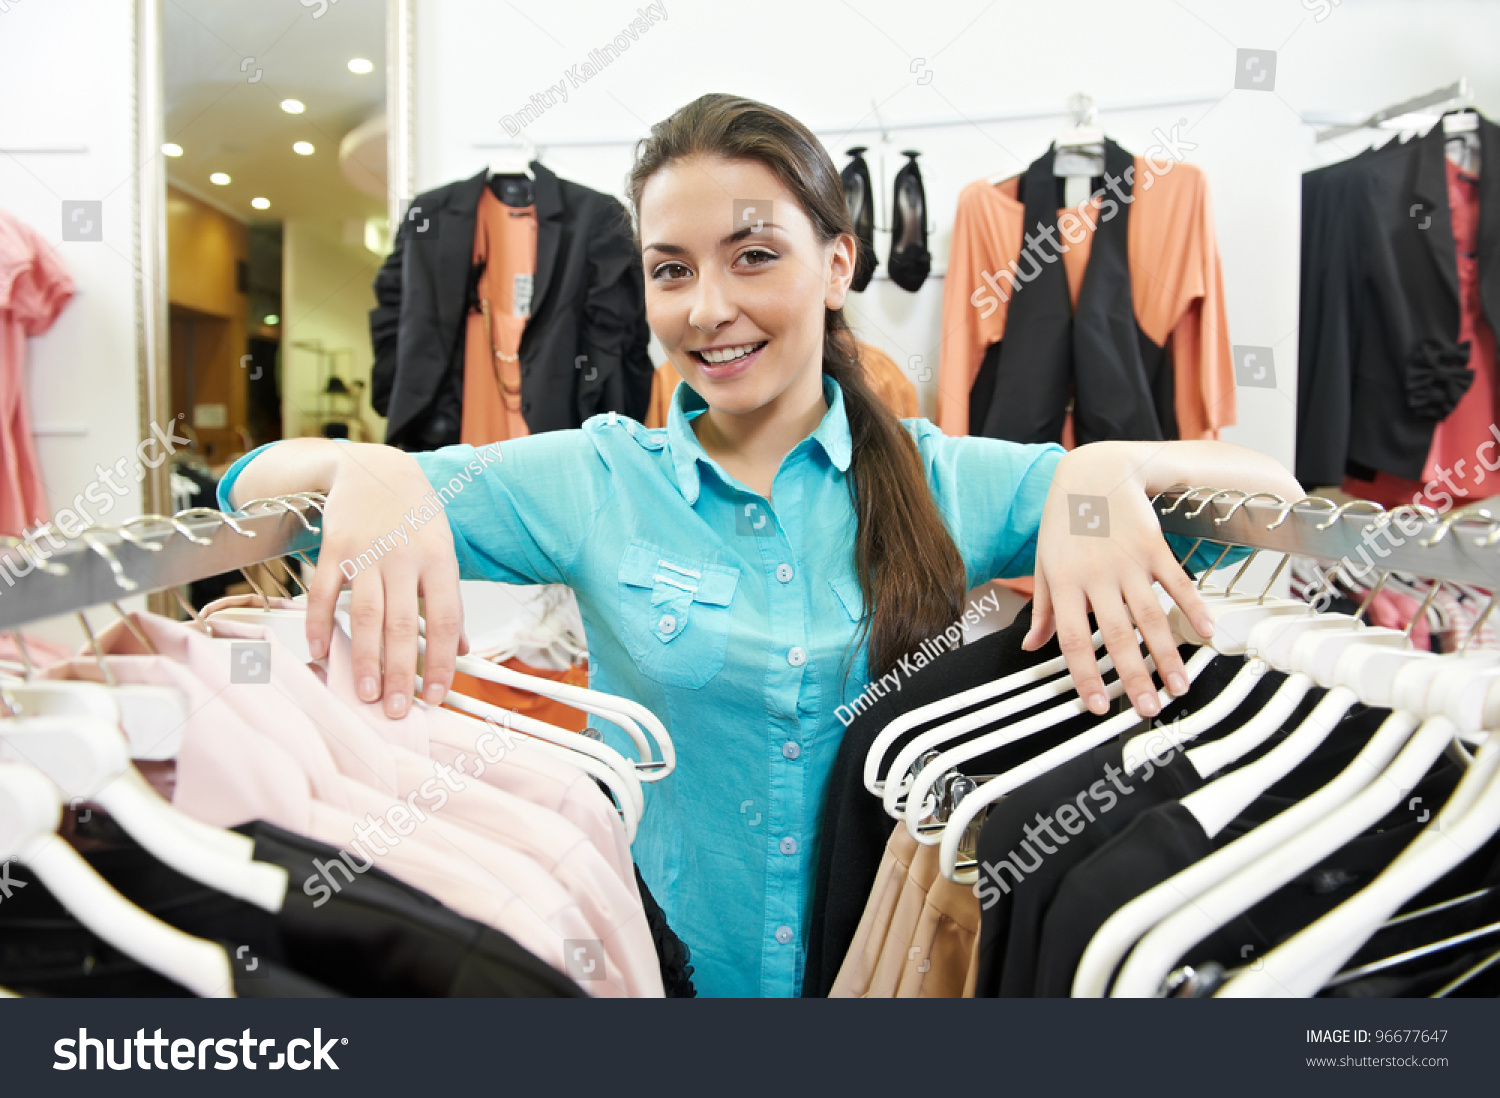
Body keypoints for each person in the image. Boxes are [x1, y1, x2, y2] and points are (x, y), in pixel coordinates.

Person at [217, 93, 1303, 997]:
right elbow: (245, 494)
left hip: (898, 979)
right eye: (671, 268)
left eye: (752, 256)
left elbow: (1274, 500)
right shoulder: (596, 481)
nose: (708, 308)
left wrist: (1102, 468)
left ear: (836, 264)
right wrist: (367, 466)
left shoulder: (946, 479)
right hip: (667, 977)